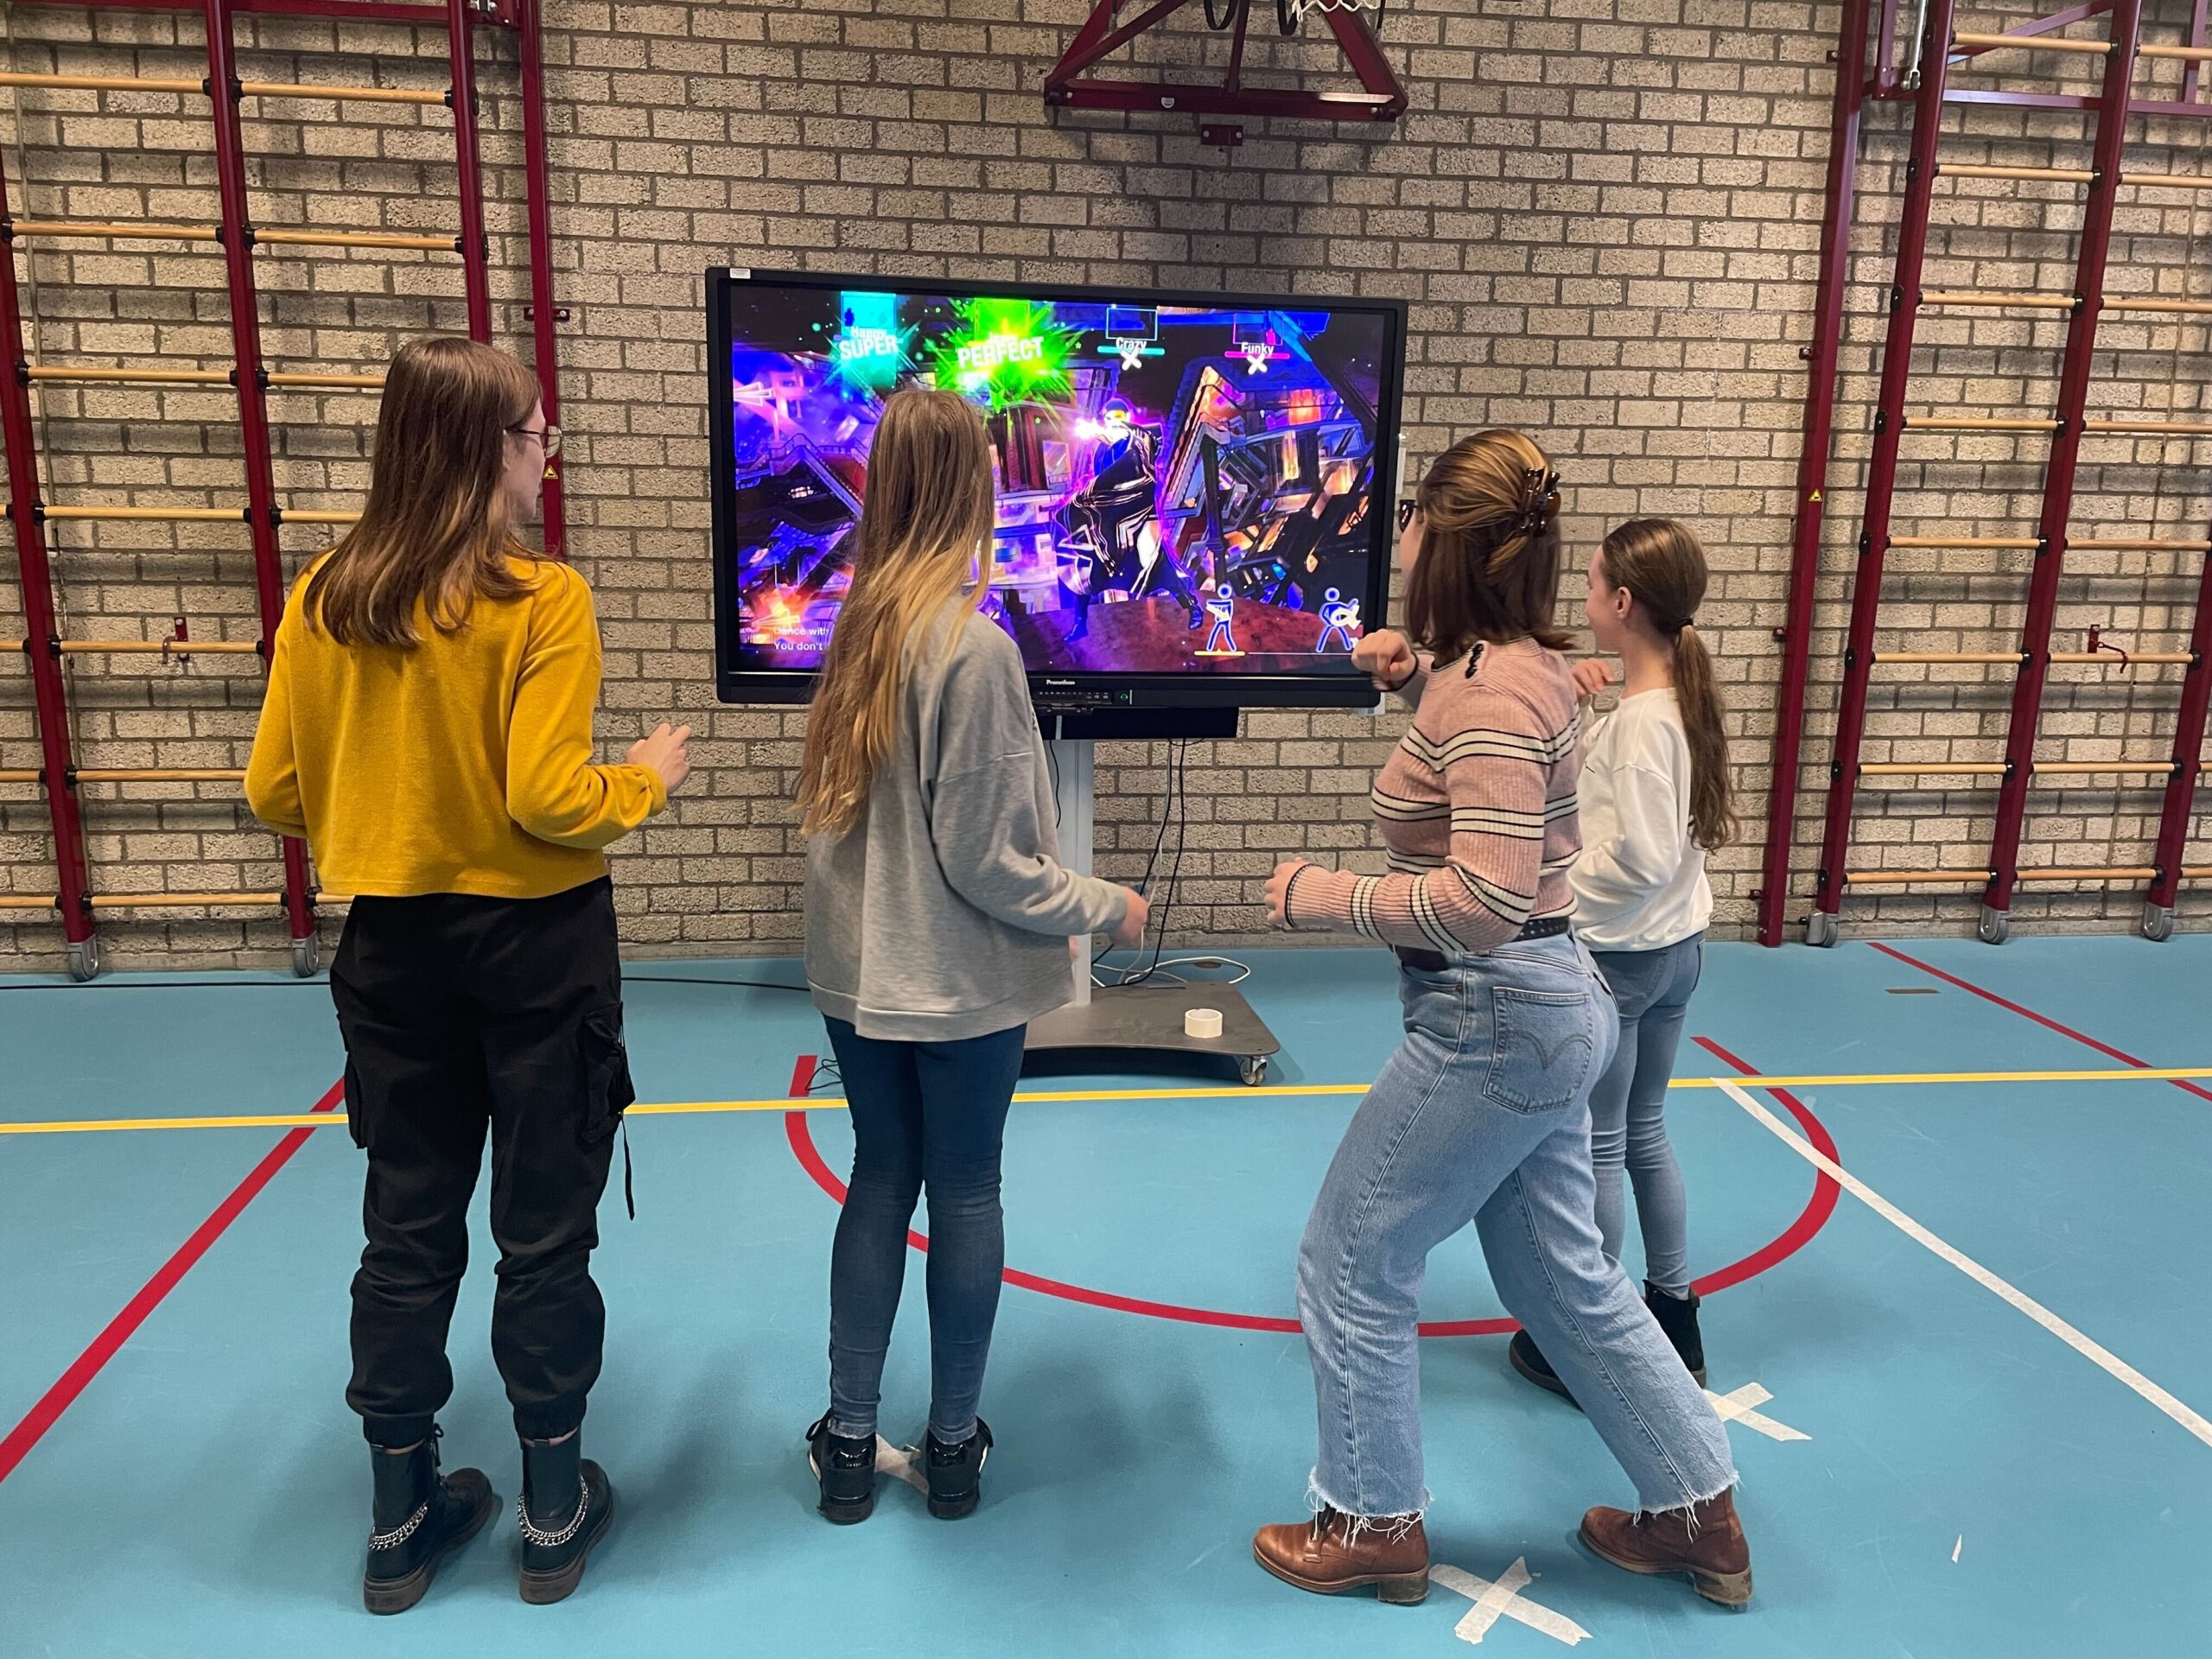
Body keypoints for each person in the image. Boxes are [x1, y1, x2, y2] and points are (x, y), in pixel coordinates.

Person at [1250, 432, 1753, 1611]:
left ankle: (1372, 1523)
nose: (1402, 538)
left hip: (1492, 1016)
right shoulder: (1510, 666)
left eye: (1415, 522)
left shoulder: (1489, 692)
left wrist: (1323, 894)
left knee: (1352, 1253)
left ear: (1449, 549)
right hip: (1543, 1007)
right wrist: (1409, 679)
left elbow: (1478, 902)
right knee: (1559, 1274)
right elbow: (1489, 739)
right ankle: (1699, 1512)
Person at [245, 337, 690, 1613]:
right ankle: (552, 1514)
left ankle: (399, 1521)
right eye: (537, 434)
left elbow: (275, 788)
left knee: (406, 1232)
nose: (548, 454)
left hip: (391, 954)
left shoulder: (329, 594)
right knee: (543, 1235)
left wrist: (387, 787)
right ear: (484, 448)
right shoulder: (540, 598)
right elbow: (549, 798)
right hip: (534, 951)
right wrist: (646, 777)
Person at [797, 387, 1147, 1526]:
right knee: (967, 1187)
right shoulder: (974, 649)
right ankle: (952, 1448)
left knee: (879, 1178)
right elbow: (990, 863)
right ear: (976, 489)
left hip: (860, 976)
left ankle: (849, 1443)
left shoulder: (855, 637)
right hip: (953, 986)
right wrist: (1107, 903)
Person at [1510, 519, 1734, 1400]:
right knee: (1643, 1134)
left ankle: (1594, 1338)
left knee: (1603, 1146)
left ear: (1623, 603)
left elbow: (1638, 856)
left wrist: (1552, 880)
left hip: (1627, 961)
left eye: (1595, 583)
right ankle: (1672, 1314)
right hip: (1677, 951)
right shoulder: (1672, 701)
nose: (1586, 597)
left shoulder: (1646, 724)